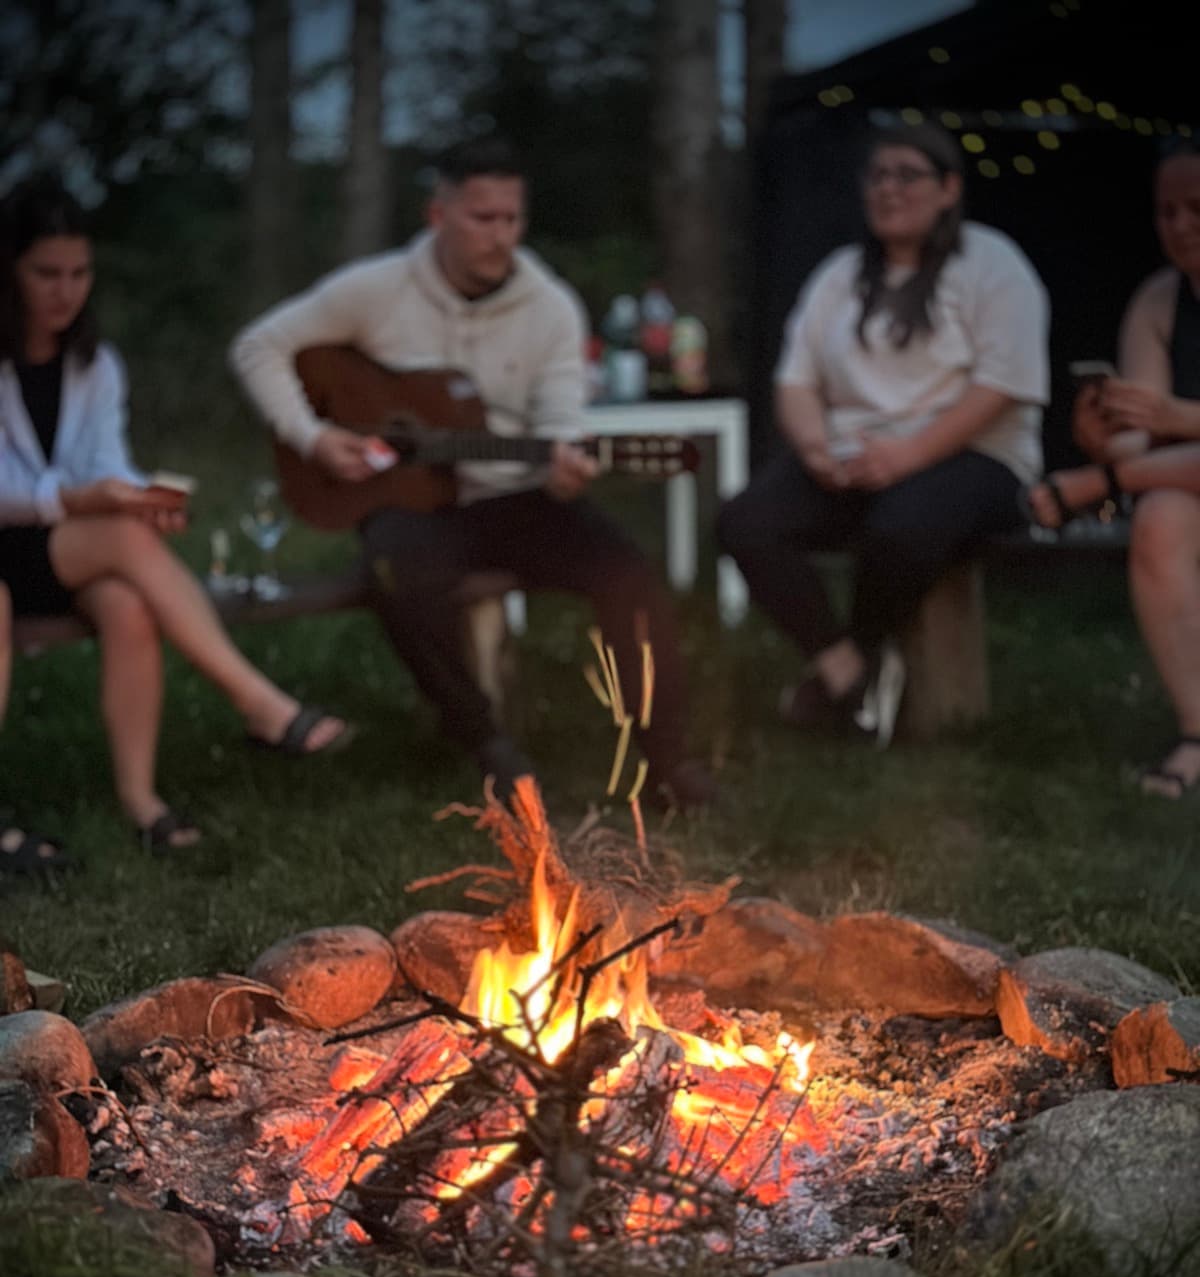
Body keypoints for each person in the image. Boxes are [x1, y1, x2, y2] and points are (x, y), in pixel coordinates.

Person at [229, 135, 713, 812]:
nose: (500, 235)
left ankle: (668, 761)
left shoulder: (549, 305)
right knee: (396, 572)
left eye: (512, 218)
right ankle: (483, 739)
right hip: (414, 505)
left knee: (627, 572)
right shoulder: (376, 290)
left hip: (516, 495)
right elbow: (259, 346)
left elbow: (561, 415)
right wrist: (313, 438)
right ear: (439, 216)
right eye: (482, 218)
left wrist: (566, 461)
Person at [0, 176, 351, 874]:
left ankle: (141, 800)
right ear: (8, 270)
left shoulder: (95, 364)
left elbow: (109, 463)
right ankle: (258, 703)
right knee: (123, 540)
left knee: (129, 601)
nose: (64, 291)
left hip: (66, 549)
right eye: (46, 273)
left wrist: (138, 497)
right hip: (20, 540)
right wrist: (83, 502)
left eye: (78, 272)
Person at [718, 122, 1049, 747]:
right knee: (745, 521)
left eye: (907, 175)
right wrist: (815, 449)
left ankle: (864, 658)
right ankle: (845, 666)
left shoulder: (992, 263)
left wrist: (907, 456)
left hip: (972, 456)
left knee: (901, 525)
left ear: (949, 188)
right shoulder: (839, 275)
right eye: (877, 175)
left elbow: (1003, 385)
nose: (888, 189)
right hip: (852, 455)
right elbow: (795, 381)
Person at [1027, 137, 1200, 798]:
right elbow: (1140, 440)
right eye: (1167, 212)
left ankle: (1095, 491)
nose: (1180, 226)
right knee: (1159, 520)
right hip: (1181, 478)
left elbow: (1167, 423)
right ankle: (1195, 731)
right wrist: (1101, 441)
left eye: (1196, 208)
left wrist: (1172, 422)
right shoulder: (1159, 300)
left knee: (1144, 488)